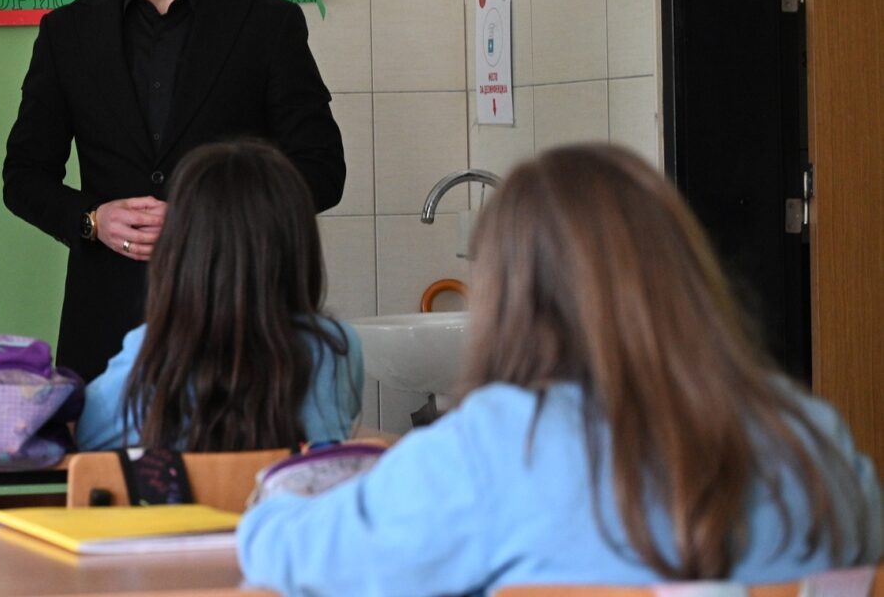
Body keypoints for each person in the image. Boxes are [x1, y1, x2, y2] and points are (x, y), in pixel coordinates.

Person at [238, 144, 882, 595]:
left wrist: (286, 493)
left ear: (510, 295)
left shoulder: (494, 449)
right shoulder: (812, 435)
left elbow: (294, 556)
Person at [2, 0, 345, 382]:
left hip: (240, 325)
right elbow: (23, 177)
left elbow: (323, 171)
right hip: (105, 330)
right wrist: (92, 220)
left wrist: (207, 218)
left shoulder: (268, 25)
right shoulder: (68, 33)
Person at [75, 139, 363, 451]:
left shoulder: (151, 354)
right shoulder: (336, 348)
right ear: (298, 245)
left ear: (183, 250)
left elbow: (85, 437)